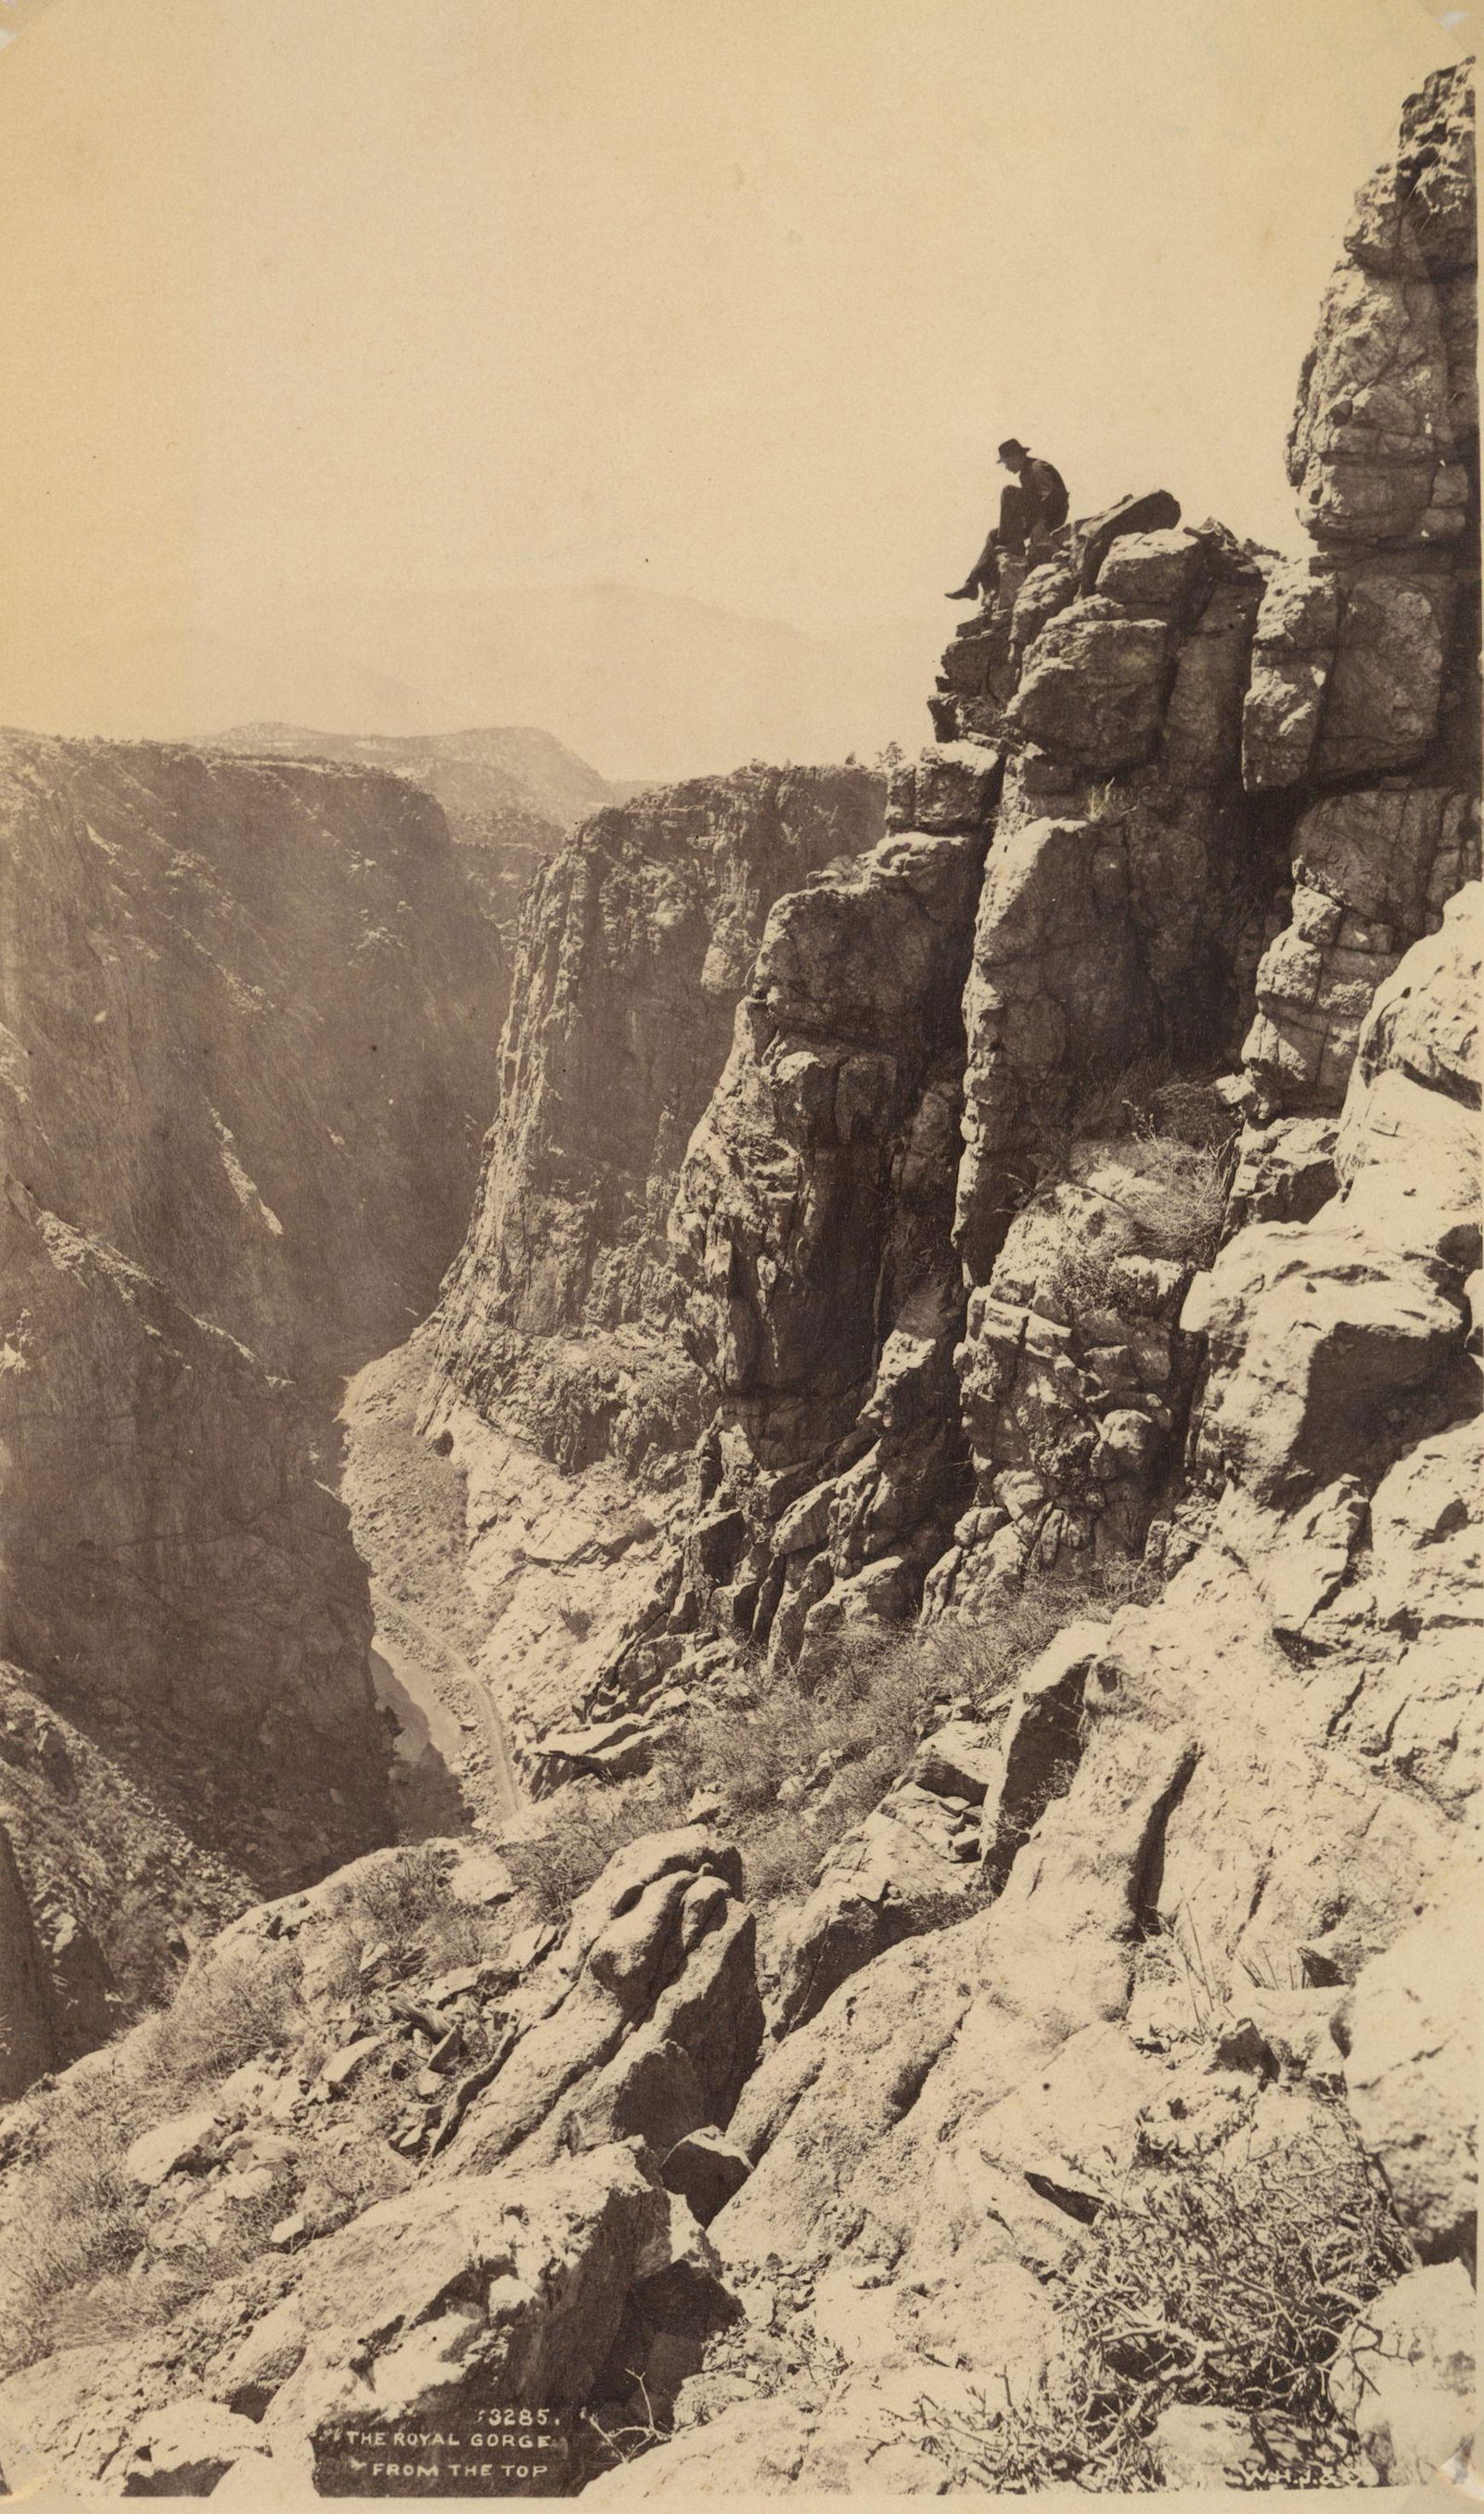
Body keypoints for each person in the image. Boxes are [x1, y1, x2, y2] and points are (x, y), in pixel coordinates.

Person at [947, 438, 1068, 601]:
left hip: (1050, 518)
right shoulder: (1025, 473)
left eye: (1006, 462)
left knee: (1008, 492)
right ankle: (971, 584)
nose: (1006, 467)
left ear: (1016, 456)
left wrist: (1040, 524)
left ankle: (1011, 543)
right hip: (1037, 518)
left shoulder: (1037, 467)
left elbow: (1053, 496)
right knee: (992, 535)